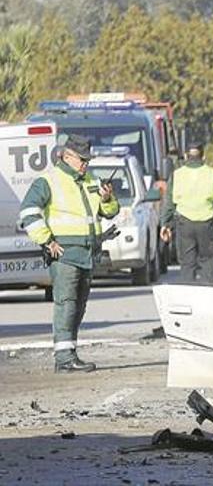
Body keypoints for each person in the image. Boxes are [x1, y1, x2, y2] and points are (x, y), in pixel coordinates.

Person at [19, 133, 119, 373]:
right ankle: (64, 359)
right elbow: (28, 212)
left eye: (88, 160)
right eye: (82, 160)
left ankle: (69, 352)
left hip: (88, 252)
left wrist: (107, 198)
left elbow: (110, 211)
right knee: (66, 303)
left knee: (79, 306)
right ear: (66, 155)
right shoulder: (49, 180)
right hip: (64, 253)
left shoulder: (90, 179)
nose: (86, 164)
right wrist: (47, 241)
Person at [159, 143, 213, 283]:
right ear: (203, 156)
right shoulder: (211, 173)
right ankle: (207, 291)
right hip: (206, 224)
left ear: (186, 156)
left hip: (184, 225)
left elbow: (168, 202)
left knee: (187, 263)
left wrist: (165, 224)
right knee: (209, 260)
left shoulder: (177, 175)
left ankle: (189, 292)